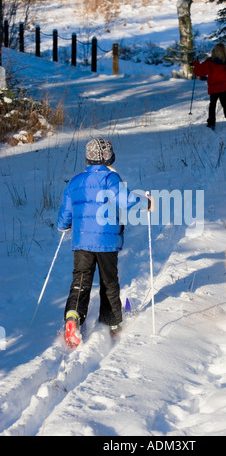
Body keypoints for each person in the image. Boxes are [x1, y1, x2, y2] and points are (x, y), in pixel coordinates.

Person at [57, 137, 154, 346]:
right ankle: (112, 323)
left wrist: (63, 224)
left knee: (80, 281)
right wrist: (146, 202)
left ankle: (73, 318)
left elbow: (66, 210)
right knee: (108, 281)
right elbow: (127, 200)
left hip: (82, 241)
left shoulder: (75, 182)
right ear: (109, 157)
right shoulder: (111, 179)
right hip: (106, 241)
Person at [193, 43, 226, 131]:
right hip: (225, 87)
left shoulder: (209, 62)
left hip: (214, 88)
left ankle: (211, 123)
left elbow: (200, 71)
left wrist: (195, 63)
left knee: (212, 105)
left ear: (214, 51)